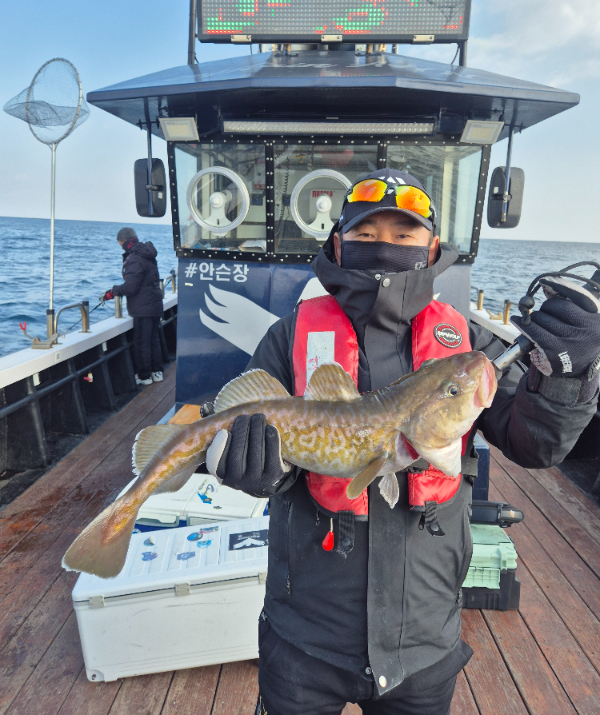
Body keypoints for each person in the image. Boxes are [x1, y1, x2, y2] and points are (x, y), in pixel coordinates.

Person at [205, 169, 600, 715]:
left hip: (423, 637)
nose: (384, 246)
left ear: (432, 247)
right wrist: (255, 472)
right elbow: (250, 442)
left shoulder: (465, 341)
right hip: (304, 633)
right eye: (365, 234)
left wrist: (565, 377)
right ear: (337, 244)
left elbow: (537, 446)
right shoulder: (289, 334)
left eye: (404, 234)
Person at [102, 227, 164, 386]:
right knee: (153, 340)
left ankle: (144, 376)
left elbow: (130, 287)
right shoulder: (147, 253)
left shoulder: (135, 259)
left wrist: (112, 292)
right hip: (155, 303)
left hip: (143, 307)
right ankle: (157, 372)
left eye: (120, 244)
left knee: (142, 342)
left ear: (123, 242)